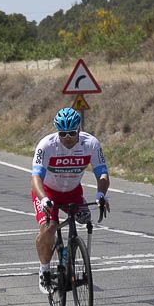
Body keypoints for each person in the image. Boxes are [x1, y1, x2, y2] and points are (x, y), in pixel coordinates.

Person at [30, 107, 111, 293]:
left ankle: (72, 258)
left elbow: (102, 174)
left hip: (73, 192)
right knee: (49, 227)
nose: (67, 137)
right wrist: (43, 199)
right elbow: (36, 178)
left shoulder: (91, 144)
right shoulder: (47, 145)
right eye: (62, 133)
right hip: (47, 192)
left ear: (79, 129)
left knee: (85, 219)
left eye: (71, 133)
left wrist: (101, 194)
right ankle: (44, 270)